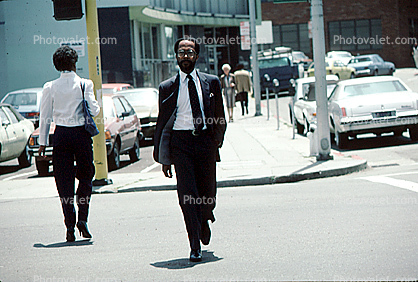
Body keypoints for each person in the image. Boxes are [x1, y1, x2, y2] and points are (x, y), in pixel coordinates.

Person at [153, 38, 227, 262]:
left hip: (205, 142)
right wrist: (165, 158)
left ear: (197, 56)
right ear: (176, 56)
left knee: (207, 194)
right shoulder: (167, 87)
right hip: (180, 144)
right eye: (181, 52)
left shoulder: (212, 82)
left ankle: (204, 218)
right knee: (187, 196)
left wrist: (216, 141)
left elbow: (220, 116)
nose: (186, 56)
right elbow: (162, 123)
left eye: (190, 52)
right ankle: (194, 243)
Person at [38, 46, 100, 242]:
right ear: (75, 63)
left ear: (57, 65)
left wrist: (42, 143)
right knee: (86, 176)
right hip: (81, 135)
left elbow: (45, 116)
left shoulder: (50, 86)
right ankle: (83, 218)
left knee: (64, 182)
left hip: (61, 136)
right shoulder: (85, 84)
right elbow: (95, 111)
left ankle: (69, 227)